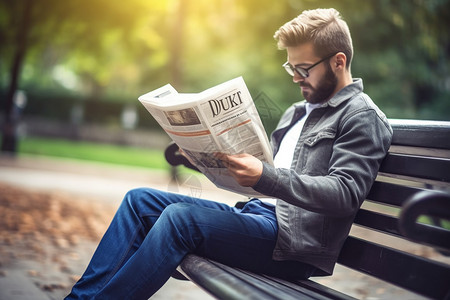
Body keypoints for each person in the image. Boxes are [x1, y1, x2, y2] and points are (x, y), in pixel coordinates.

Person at [66, 8, 392, 299]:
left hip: (292, 245)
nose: (295, 77)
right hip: (255, 217)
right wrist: (204, 159)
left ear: (339, 61)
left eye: (304, 69)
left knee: (180, 220)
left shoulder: (360, 116)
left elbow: (345, 193)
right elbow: (259, 177)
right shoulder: (297, 111)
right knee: (140, 201)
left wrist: (266, 175)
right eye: (290, 67)